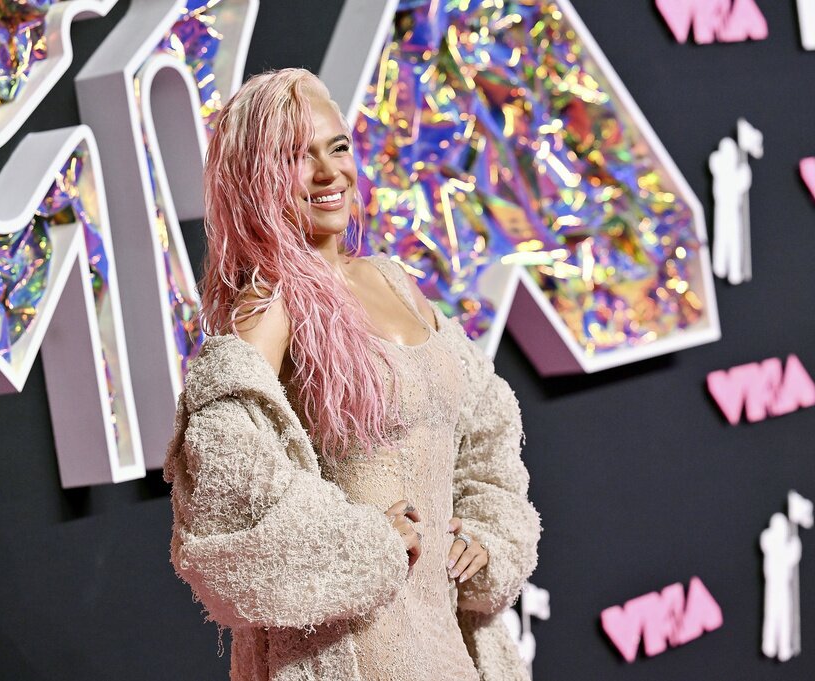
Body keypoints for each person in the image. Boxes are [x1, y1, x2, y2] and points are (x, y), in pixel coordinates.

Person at [163, 67, 541, 681]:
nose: (327, 172)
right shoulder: (268, 303)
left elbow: (487, 432)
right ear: (253, 179)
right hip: (359, 651)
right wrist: (363, 542)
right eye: (293, 157)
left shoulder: (394, 278)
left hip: (451, 641)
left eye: (336, 146)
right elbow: (224, 488)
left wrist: (488, 535)